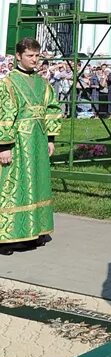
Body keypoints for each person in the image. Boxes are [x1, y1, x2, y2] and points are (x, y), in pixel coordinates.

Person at [0, 38, 62, 256]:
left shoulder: (43, 83)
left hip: (38, 139)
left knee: (37, 183)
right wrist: (4, 146)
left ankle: (35, 231)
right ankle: (8, 237)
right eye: (30, 56)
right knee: (14, 186)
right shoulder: (8, 83)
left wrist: (51, 138)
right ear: (18, 56)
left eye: (37, 56)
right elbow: (4, 114)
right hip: (17, 142)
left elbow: (52, 108)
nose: (34, 60)